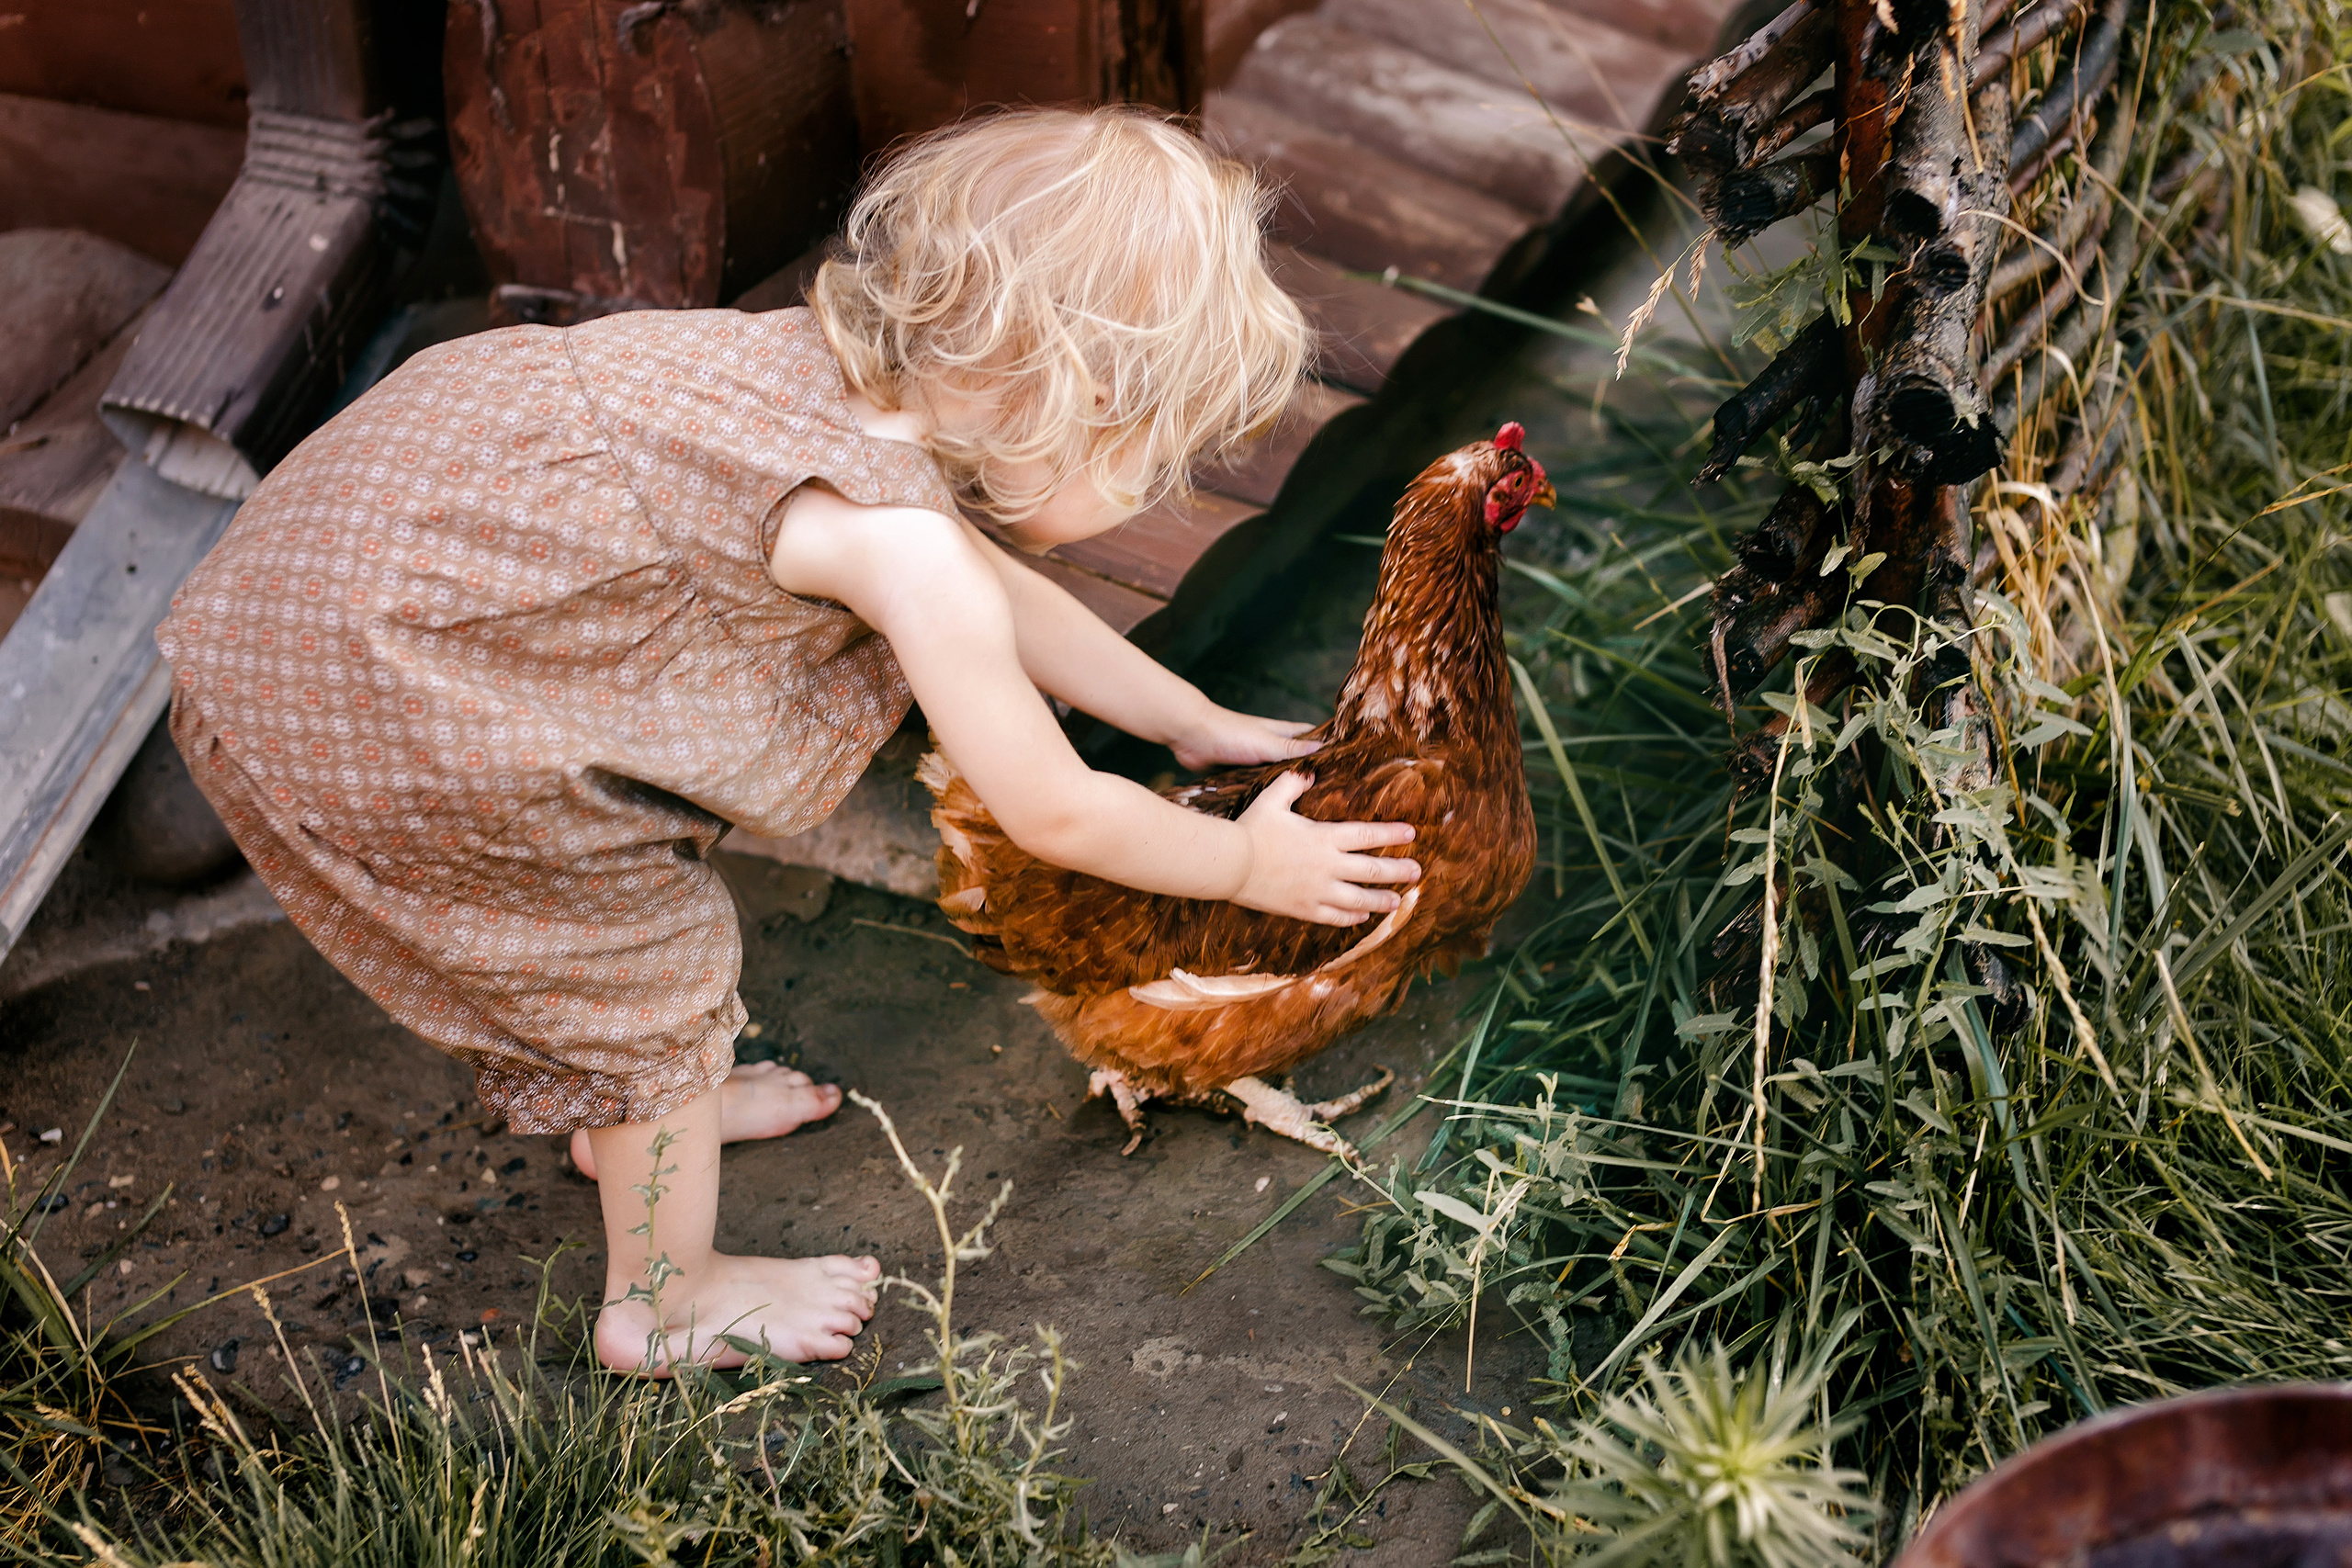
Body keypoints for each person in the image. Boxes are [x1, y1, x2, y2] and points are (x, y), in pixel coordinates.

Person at [153, 107, 1421, 1376]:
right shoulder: (902, 547)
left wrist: (1186, 718)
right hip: (381, 692)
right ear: (1082, 399)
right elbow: (1058, 810)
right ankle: (664, 1291)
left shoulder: (827, 380)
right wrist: (1248, 871)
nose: (1156, 493)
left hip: (309, 599)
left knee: (614, 975)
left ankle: (643, 1116)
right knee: (640, 965)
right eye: (1158, 459)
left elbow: (994, 590)